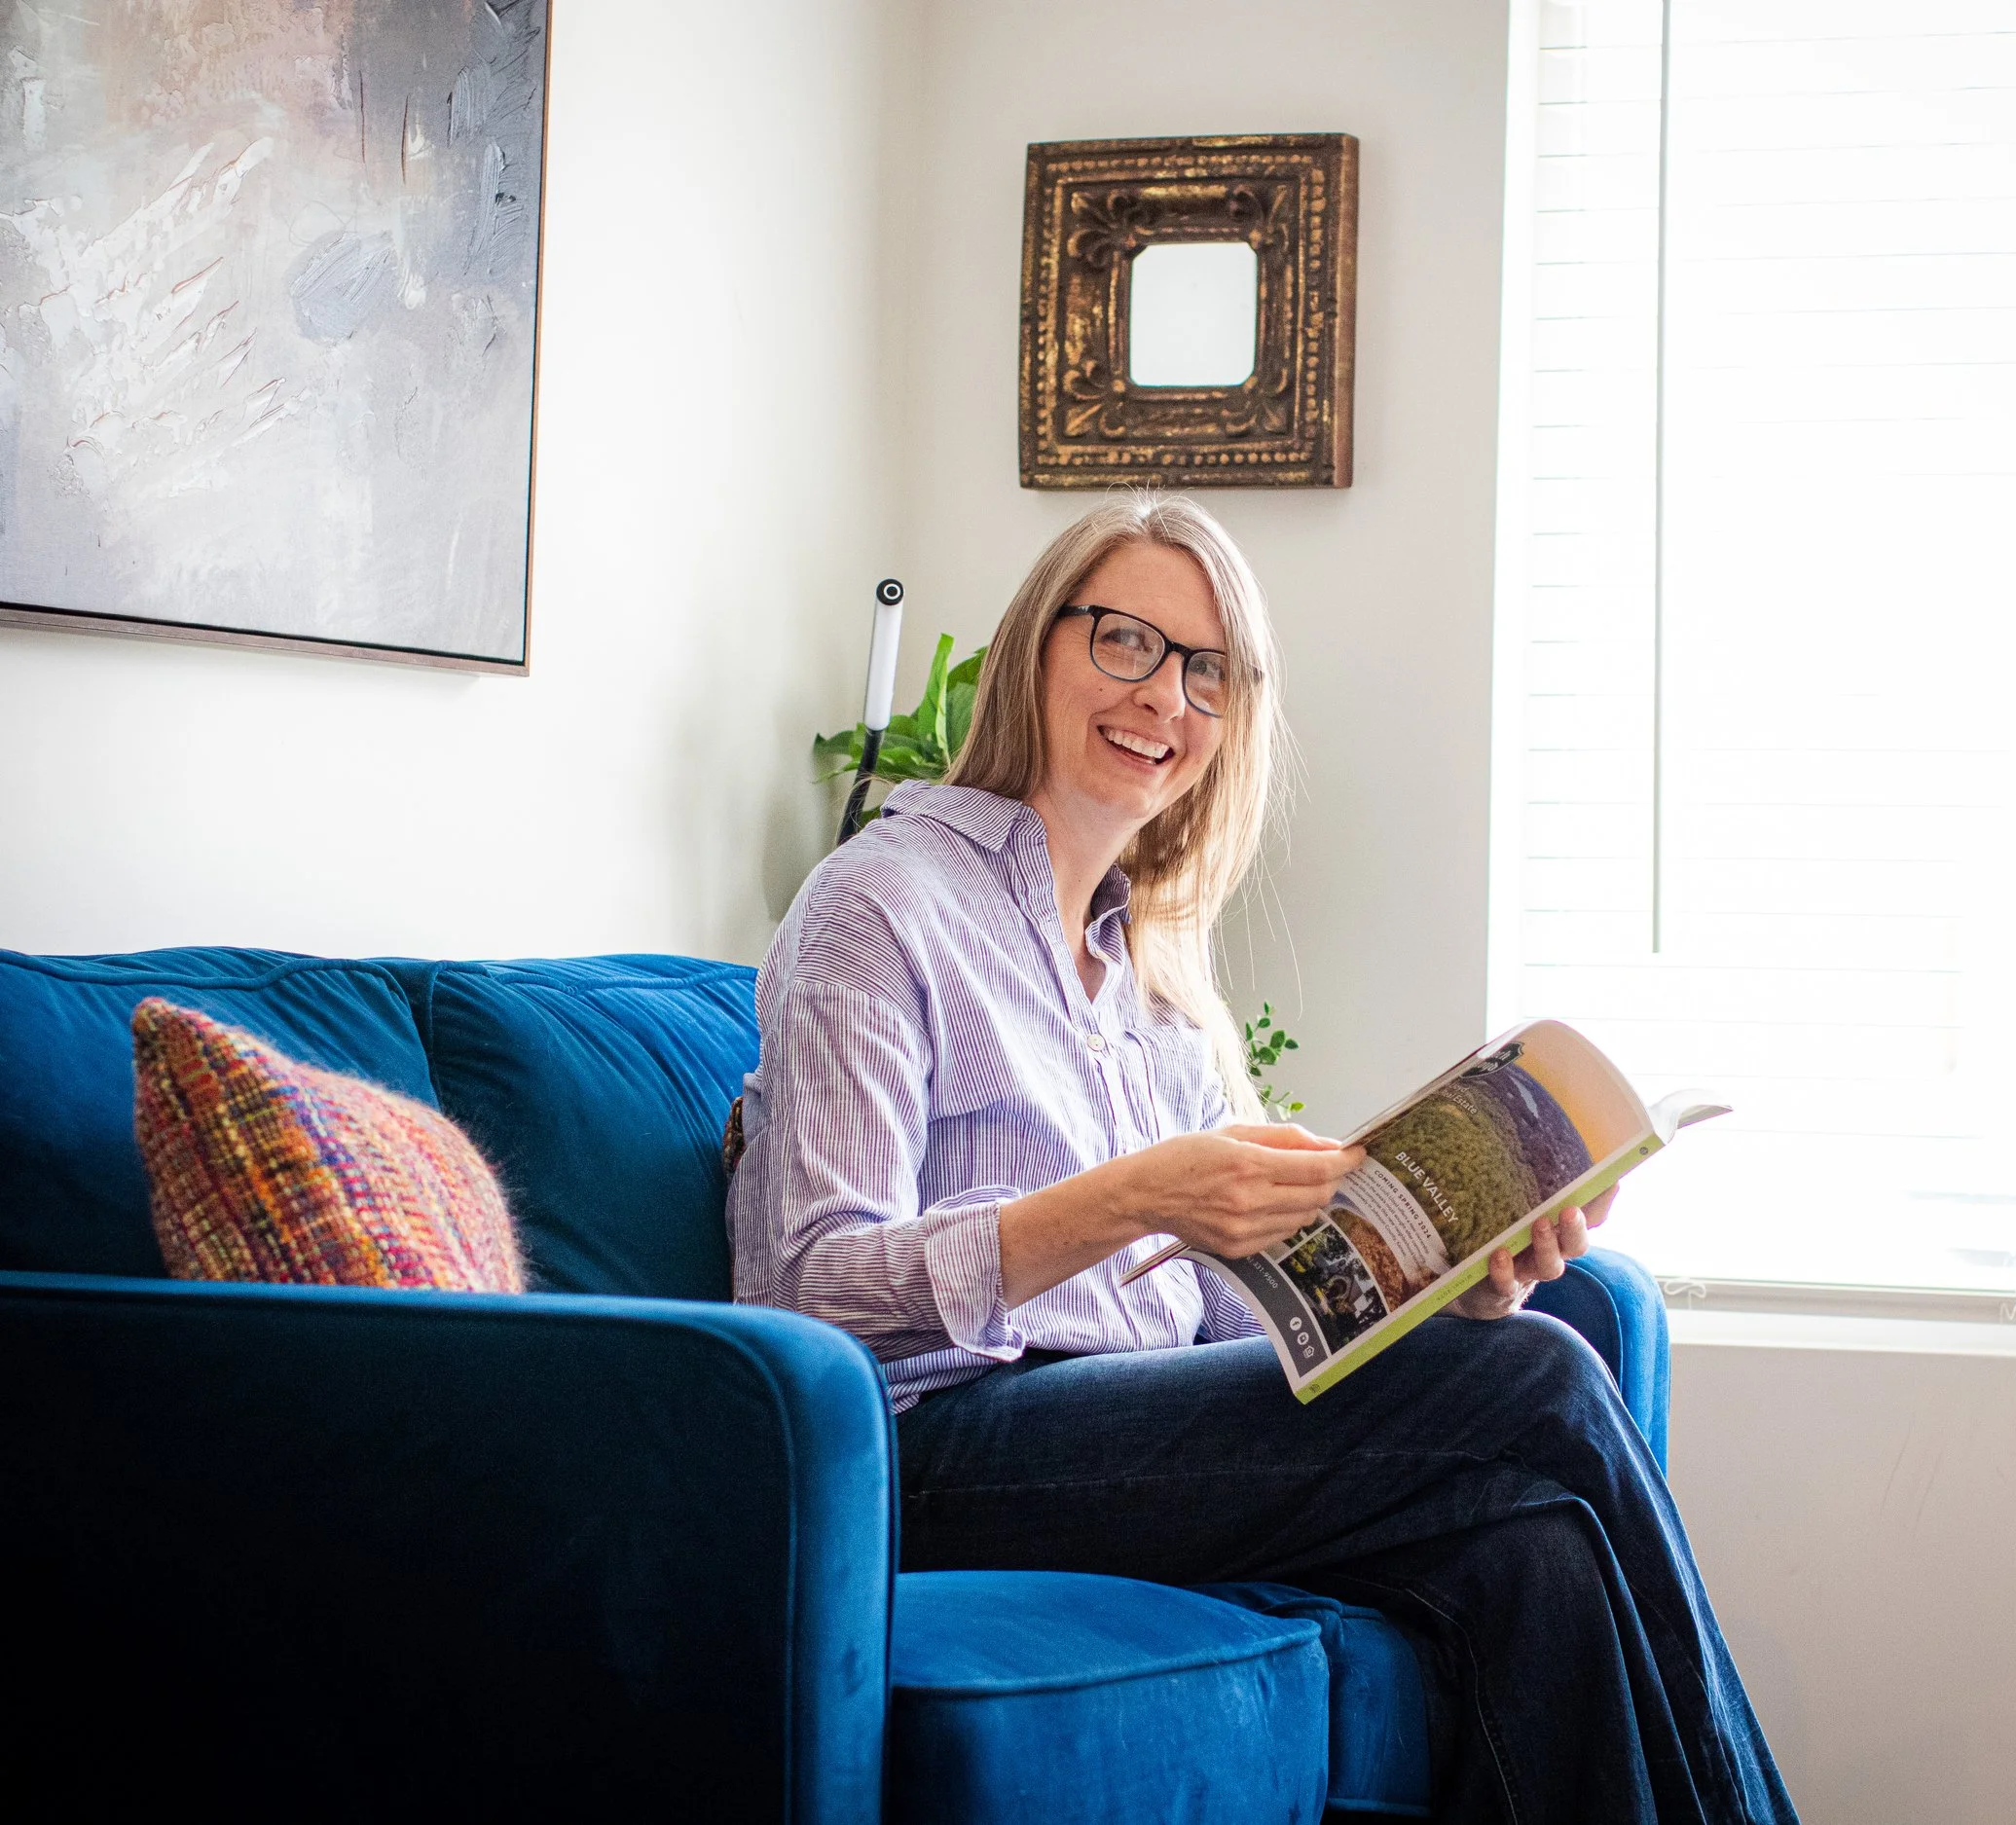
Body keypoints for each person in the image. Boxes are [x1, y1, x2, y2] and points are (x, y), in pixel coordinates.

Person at [727, 493, 1796, 1824]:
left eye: (1206, 670)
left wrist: (1448, 1284)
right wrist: (1134, 1195)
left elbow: (1259, 1313)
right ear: (1035, 650)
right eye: (1125, 640)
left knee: (1536, 1551)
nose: (1160, 694)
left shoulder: (1154, 982)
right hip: (928, 1449)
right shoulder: (882, 900)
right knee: (1543, 1382)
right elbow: (808, 1285)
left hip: (1128, 1431)